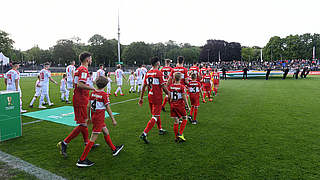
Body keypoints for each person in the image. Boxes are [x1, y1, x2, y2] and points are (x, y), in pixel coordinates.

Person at [57, 52, 98, 158]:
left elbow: (77, 83)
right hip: (81, 99)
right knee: (83, 124)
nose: (91, 60)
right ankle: (64, 143)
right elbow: (80, 84)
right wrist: (93, 88)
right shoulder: (83, 70)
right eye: (91, 58)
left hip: (80, 98)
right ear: (87, 59)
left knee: (83, 122)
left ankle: (87, 143)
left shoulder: (79, 69)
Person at [76, 76, 124, 167]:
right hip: (99, 118)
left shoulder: (93, 93)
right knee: (93, 138)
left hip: (94, 116)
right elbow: (108, 108)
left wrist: (88, 118)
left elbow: (88, 106)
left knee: (106, 131)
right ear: (105, 85)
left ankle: (114, 149)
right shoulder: (104, 95)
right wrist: (113, 119)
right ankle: (81, 160)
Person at [139, 57, 169, 144]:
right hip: (157, 97)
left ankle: (160, 129)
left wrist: (141, 98)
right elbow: (163, 87)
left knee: (156, 114)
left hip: (150, 96)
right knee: (155, 116)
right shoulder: (159, 73)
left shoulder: (148, 73)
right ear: (157, 63)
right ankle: (144, 133)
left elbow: (144, 87)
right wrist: (169, 94)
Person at [168, 72, 190, 142]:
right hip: (179, 105)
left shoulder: (170, 86)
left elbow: (169, 97)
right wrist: (187, 105)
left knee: (176, 121)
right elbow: (184, 97)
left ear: (174, 78)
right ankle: (180, 133)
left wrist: (170, 104)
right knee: (185, 118)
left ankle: (176, 137)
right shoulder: (182, 87)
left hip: (172, 105)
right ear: (180, 78)